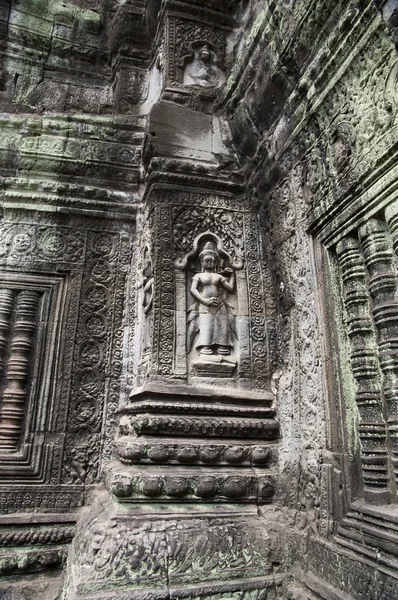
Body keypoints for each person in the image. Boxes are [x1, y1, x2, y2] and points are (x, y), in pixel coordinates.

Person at [187, 241, 237, 356]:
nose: (210, 262)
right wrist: (204, 300)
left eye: (213, 260)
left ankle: (223, 350)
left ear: (216, 262)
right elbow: (193, 290)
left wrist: (233, 276)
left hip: (219, 304)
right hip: (204, 304)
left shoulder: (218, 276)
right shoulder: (198, 276)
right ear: (202, 262)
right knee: (207, 327)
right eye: (207, 260)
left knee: (223, 327)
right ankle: (206, 350)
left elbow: (230, 288)